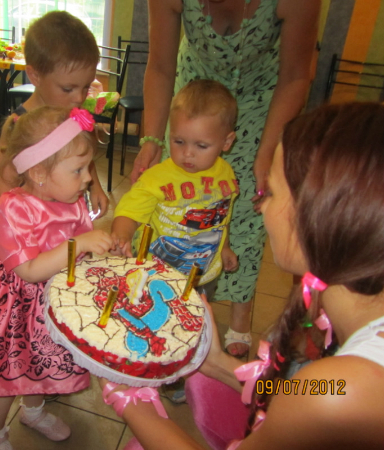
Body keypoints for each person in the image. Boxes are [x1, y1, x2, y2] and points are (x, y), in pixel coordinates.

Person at [101, 102, 384, 449]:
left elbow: (316, 396)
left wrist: (131, 402)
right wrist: (218, 364)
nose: (261, 207)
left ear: (319, 217)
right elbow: (294, 393)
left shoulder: (346, 391)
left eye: (270, 193)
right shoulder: (342, 376)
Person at [132, 0, 321, 356]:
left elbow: (296, 75)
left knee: (250, 207)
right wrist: (154, 138)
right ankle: (174, 300)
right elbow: (159, 66)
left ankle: (240, 316)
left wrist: (267, 153)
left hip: (262, 107)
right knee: (180, 208)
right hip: (192, 105)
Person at [0, 106, 115, 450]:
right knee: (8, 372)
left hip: (55, 301)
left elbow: (81, 252)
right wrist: (78, 244)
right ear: (40, 172)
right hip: (15, 306)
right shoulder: (13, 208)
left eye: (87, 168)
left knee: (39, 364)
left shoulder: (73, 200)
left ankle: (33, 411)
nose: (88, 179)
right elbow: (28, 270)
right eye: (78, 170)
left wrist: (99, 250)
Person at [112, 80, 239, 296]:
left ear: (226, 142)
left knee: (196, 313)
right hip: (157, 274)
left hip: (204, 275)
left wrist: (224, 247)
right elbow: (128, 213)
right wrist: (121, 236)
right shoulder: (156, 178)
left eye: (201, 145)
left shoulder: (226, 174)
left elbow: (222, 219)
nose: (187, 153)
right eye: (179, 141)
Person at [0, 10, 109, 219]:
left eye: (86, 87)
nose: (79, 98)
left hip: (71, 214)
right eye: (68, 89)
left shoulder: (71, 116)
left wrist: (94, 186)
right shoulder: (19, 125)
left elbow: (81, 156)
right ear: (35, 76)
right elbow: (3, 187)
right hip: (36, 223)